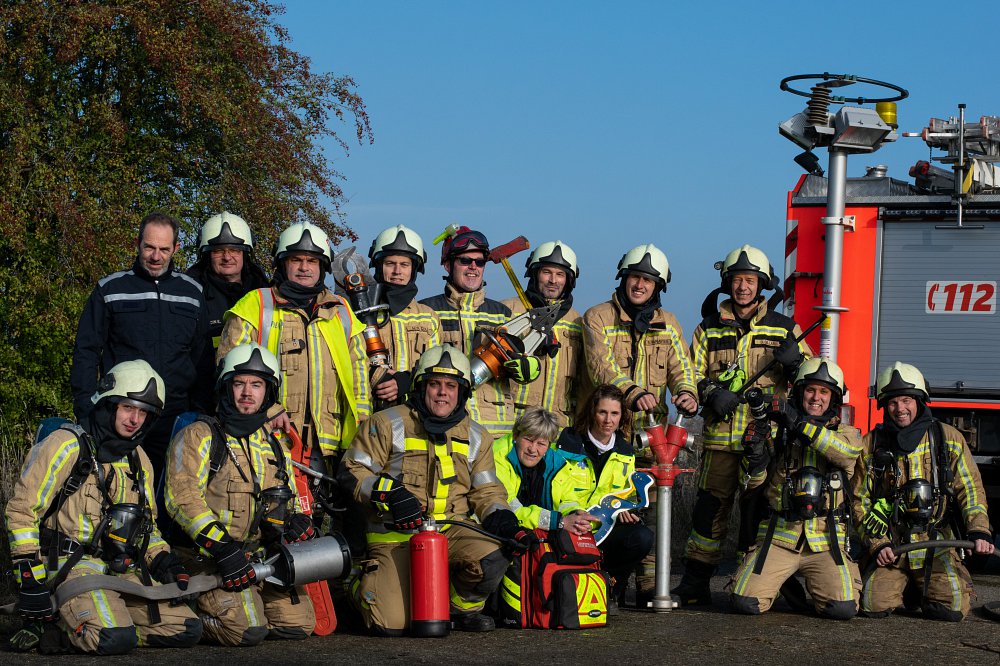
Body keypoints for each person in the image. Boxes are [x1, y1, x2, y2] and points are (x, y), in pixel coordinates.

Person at [6, 360, 202, 655]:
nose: (135, 420)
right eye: (128, 407)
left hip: (120, 569)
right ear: (109, 405)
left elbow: (147, 529)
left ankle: (107, 621)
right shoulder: (66, 445)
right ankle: (60, 624)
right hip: (70, 567)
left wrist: (164, 561)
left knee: (186, 629)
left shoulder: (139, 460)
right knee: (113, 637)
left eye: (144, 412)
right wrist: (30, 580)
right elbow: (22, 511)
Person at [338, 344, 531, 635]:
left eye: (451, 386)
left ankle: (459, 610)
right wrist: (390, 495)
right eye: (435, 384)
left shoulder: (477, 436)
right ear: (420, 387)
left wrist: (506, 523)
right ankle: (355, 586)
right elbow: (352, 471)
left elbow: (488, 492)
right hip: (396, 536)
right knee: (390, 625)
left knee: (493, 554)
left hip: (450, 532)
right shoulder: (387, 422)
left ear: (462, 392)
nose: (443, 393)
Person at [676, 245, 809, 606]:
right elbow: (689, 373)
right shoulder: (708, 328)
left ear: (761, 284)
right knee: (708, 513)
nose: (743, 287)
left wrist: (795, 363)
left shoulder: (785, 328)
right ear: (727, 283)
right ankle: (695, 584)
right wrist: (711, 393)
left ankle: (748, 584)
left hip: (765, 445)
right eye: (737, 280)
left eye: (750, 280)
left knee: (758, 515)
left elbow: (813, 383)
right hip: (720, 441)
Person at [165, 343, 316, 645]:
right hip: (209, 557)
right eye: (239, 383)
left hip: (258, 558)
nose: (247, 392)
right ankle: (187, 609)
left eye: (256, 384)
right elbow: (181, 498)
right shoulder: (199, 435)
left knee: (298, 625)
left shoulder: (274, 445)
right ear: (225, 387)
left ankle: (247, 601)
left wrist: (297, 521)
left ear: (268, 392)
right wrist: (223, 549)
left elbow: (291, 497)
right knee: (244, 631)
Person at [218, 221, 369, 469]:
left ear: (323, 266)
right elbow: (228, 371)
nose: (304, 267)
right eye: (296, 260)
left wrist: (362, 428)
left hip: (331, 446)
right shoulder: (255, 304)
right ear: (282, 264)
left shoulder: (342, 311)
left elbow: (359, 377)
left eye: (312, 261)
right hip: (268, 438)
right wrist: (268, 408)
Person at [70, 212, 210, 480]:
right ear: (137, 244)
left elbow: (201, 358)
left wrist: (199, 411)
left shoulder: (193, 292)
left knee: (173, 489)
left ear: (176, 248)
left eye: (164, 249)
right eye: (149, 247)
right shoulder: (110, 289)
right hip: (122, 416)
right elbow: (86, 352)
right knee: (119, 488)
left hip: (175, 417)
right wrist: (86, 409)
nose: (156, 256)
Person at [852, 362, 994, 621]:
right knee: (873, 606)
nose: (900, 409)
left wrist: (978, 530)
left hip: (936, 542)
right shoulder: (871, 444)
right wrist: (877, 544)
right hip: (893, 545)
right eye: (893, 402)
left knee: (951, 610)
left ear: (919, 400)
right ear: (884, 405)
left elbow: (970, 488)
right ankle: (908, 585)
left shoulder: (947, 438)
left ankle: (924, 588)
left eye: (906, 400)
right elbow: (858, 501)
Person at [729, 358, 862, 619]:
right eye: (810, 390)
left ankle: (812, 582)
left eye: (824, 392)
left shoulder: (847, 433)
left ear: (833, 398)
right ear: (800, 392)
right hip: (779, 537)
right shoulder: (777, 432)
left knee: (842, 608)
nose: (816, 397)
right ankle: (781, 582)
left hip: (826, 541)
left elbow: (845, 454)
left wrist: (798, 422)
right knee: (745, 602)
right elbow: (751, 484)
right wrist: (755, 458)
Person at [556, 384, 654, 609]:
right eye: (603, 412)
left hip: (605, 527)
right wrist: (573, 513)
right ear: (592, 412)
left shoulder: (626, 451)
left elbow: (626, 493)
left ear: (622, 417)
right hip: (569, 522)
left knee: (642, 537)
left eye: (614, 413)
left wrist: (626, 511)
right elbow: (556, 489)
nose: (608, 420)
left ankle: (611, 589)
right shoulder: (568, 442)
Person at [581, 243, 697, 431]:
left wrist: (687, 393)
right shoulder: (597, 317)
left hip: (651, 432)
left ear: (658, 286)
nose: (639, 285)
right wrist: (632, 393)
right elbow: (601, 368)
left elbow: (682, 368)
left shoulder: (669, 323)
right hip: (607, 432)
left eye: (648, 280)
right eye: (635, 276)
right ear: (624, 278)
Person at [420, 226, 522, 437]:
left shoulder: (502, 314)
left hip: (496, 430)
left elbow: (520, 360)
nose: (473, 267)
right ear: (448, 265)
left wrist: (527, 367)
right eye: (465, 260)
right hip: (445, 427)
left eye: (480, 262)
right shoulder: (427, 311)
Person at [502, 241, 586, 428]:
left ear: (569, 280)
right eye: (546, 272)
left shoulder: (577, 322)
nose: (553, 280)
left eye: (560, 274)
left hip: (559, 424)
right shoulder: (507, 311)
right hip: (516, 421)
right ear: (534, 274)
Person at [363, 225, 441, 410]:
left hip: (415, 413)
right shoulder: (361, 312)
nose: (397, 271)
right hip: (370, 411)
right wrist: (374, 376)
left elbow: (436, 369)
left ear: (414, 269)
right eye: (390, 263)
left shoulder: (428, 318)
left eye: (404, 265)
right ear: (379, 266)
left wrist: (407, 381)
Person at [493, 407, 597, 535]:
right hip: (497, 527)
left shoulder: (557, 463)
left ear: (549, 446)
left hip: (538, 530)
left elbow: (567, 500)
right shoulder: (498, 456)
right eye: (528, 439)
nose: (532, 449)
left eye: (541, 444)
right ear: (516, 435)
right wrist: (557, 521)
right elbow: (507, 507)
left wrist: (576, 514)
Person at [186, 211, 270, 352]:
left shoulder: (264, 293)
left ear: (245, 254)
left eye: (234, 250)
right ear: (207, 255)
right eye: (218, 251)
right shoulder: (191, 293)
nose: (227, 257)